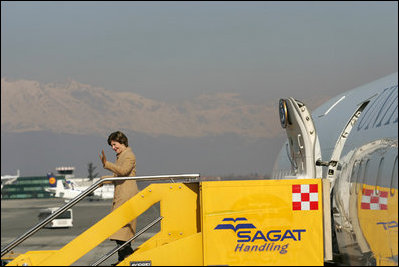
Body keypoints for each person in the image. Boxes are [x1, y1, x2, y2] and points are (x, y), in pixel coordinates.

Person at [99, 131, 139, 264]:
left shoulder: (129, 156)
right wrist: (102, 180)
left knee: (121, 229)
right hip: (121, 196)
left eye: (114, 144)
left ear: (122, 142)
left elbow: (123, 172)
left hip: (126, 196)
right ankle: (123, 258)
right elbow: (118, 177)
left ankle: (127, 258)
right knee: (120, 230)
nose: (113, 148)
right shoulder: (121, 156)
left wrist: (107, 164)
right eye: (111, 145)